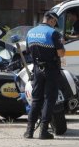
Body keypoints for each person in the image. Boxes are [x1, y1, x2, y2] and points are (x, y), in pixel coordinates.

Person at [24, 11, 65, 139]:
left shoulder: (30, 32)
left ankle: (29, 131)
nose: (55, 24)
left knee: (36, 99)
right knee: (49, 99)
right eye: (55, 22)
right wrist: (61, 44)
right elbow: (61, 54)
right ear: (51, 20)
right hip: (51, 69)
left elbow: (28, 51)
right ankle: (43, 131)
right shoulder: (53, 33)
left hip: (37, 69)